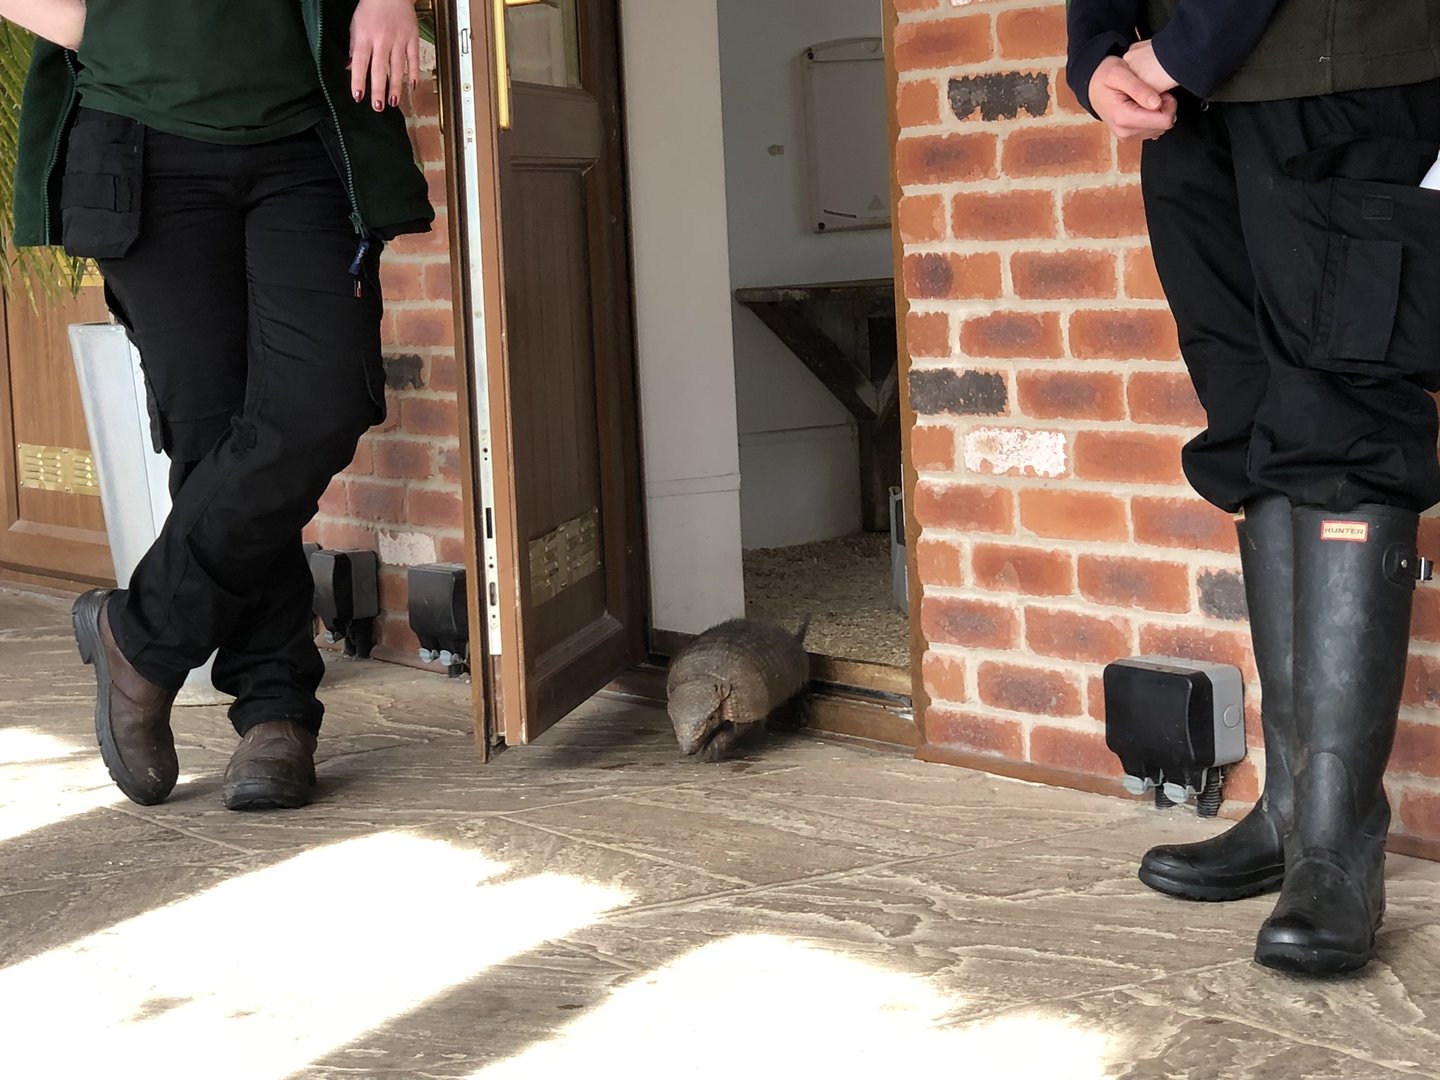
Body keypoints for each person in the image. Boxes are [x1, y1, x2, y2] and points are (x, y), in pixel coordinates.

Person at [1069, 0, 1440, 976]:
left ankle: (1337, 840)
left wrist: (1184, 49)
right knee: (1254, 430)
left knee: (1343, 430)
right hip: (1190, 113)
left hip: (1340, 76)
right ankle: (1288, 813)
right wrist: (1096, 46)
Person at [4, 0, 434, 811]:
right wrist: (123, 32)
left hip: (305, 135)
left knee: (321, 403)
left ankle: (141, 635)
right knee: (210, 432)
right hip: (139, 140)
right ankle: (274, 714)